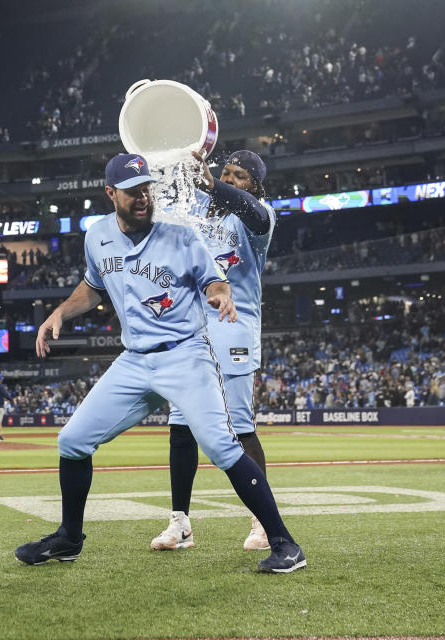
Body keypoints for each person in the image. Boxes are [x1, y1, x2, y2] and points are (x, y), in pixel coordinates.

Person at [15, 153, 305, 574]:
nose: (143, 197)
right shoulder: (97, 235)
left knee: (226, 443)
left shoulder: (183, 234)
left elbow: (216, 276)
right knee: (72, 441)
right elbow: (93, 285)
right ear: (111, 193)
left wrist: (221, 292)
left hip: (186, 354)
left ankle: (283, 542)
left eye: (146, 189)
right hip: (134, 361)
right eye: (133, 191)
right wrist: (60, 312)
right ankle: (69, 538)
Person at [151, 150, 278, 553]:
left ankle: (261, 520)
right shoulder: (197, 211)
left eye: (239, 176)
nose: (229, 179)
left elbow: (252, 211)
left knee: (240, 426)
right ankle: (180, 523)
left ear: (254, 185)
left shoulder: (260, 217)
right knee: (180, 424)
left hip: (234, 328)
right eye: (226, 172)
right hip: (191, 331)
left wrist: (213, 184)